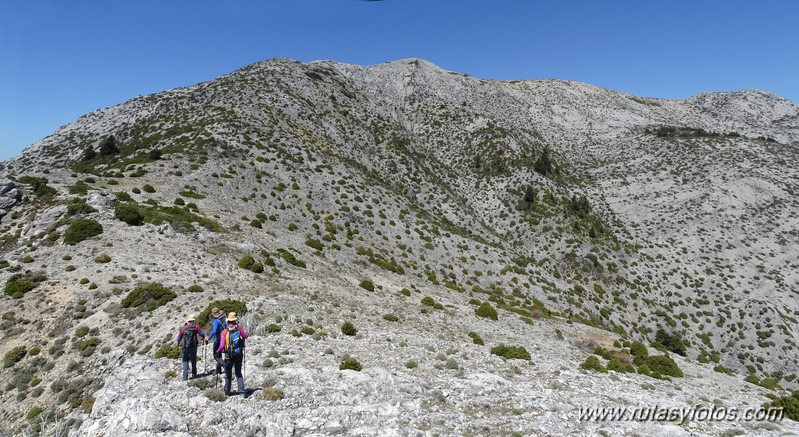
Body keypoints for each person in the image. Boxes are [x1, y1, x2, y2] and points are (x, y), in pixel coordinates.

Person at [216, 312, 249, 395]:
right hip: (238, 354)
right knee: (238, 373)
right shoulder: (239, 328)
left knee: (228, 374)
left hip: (228, 356)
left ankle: (227, 391)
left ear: (228, 321)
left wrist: (218, 351)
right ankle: (241, 390)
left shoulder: (224, 332)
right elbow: (245, 336)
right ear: (235, 320)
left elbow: (222, 345)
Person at [176, 314, 207, 380]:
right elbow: (202, 334)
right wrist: (205, 338)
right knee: (193, 360)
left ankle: (185, 377)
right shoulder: (196, 326)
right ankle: (194, 375)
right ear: (193, 320)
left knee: (185, 361)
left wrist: (178, 344)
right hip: (193, 346)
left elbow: (178, 338)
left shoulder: (183, 328)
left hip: (185, 347)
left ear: (188, 321)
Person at [206, 307, 226, 376]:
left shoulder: (215, 321)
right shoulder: (222, 319)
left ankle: (225, 367)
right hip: (223, 339)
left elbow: (214, 331)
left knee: (216, 356)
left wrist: (209, 338)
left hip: (217, 340)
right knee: (219, 355)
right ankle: (218, 371)